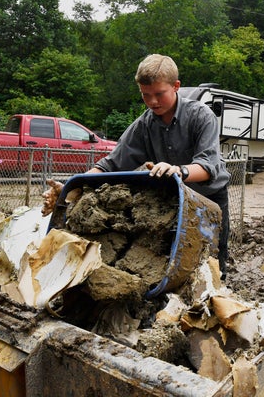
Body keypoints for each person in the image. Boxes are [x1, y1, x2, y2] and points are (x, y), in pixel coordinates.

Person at [42, 54, 231, 279]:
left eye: (159, 94)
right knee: (173, 257)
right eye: (146, 95)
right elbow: (110, 164)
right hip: (174, 200)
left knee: (212, 260)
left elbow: (209, 165)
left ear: (176, 86)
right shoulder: (143, 125)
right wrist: (72, 189)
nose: (152, 102)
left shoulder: (201, 116)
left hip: (209, 197)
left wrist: (178, 170)